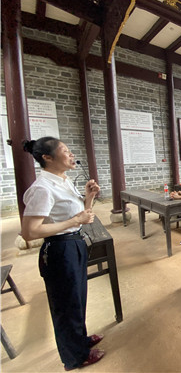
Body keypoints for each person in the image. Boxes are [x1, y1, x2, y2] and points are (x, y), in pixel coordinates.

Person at [21, 137, 105, 371]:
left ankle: (80, 339)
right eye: (65, 151)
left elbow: (81, 215)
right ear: (47, 158)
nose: (70, 155)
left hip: (74, 243)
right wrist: (75, 219)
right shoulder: (42, 188)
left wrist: (88, 197)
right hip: (59, 249)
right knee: (65, 305)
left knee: (76, 299)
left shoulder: (63, 181)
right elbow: (30, 232)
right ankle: (75, 357)